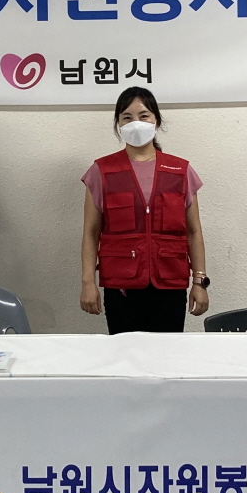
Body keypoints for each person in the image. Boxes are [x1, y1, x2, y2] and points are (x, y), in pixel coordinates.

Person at [79, 88, 210, 333]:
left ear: (156, 120)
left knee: (166, 351)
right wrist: (88, 282)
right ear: (118, 124)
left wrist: (199, 282)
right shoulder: (101, 171)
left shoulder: (181, 171)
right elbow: (90, 233)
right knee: (125, 352)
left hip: (170, 284)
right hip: (121, 287)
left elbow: (194, 232)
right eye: (127, 117)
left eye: (143, 116)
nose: (136, 123)